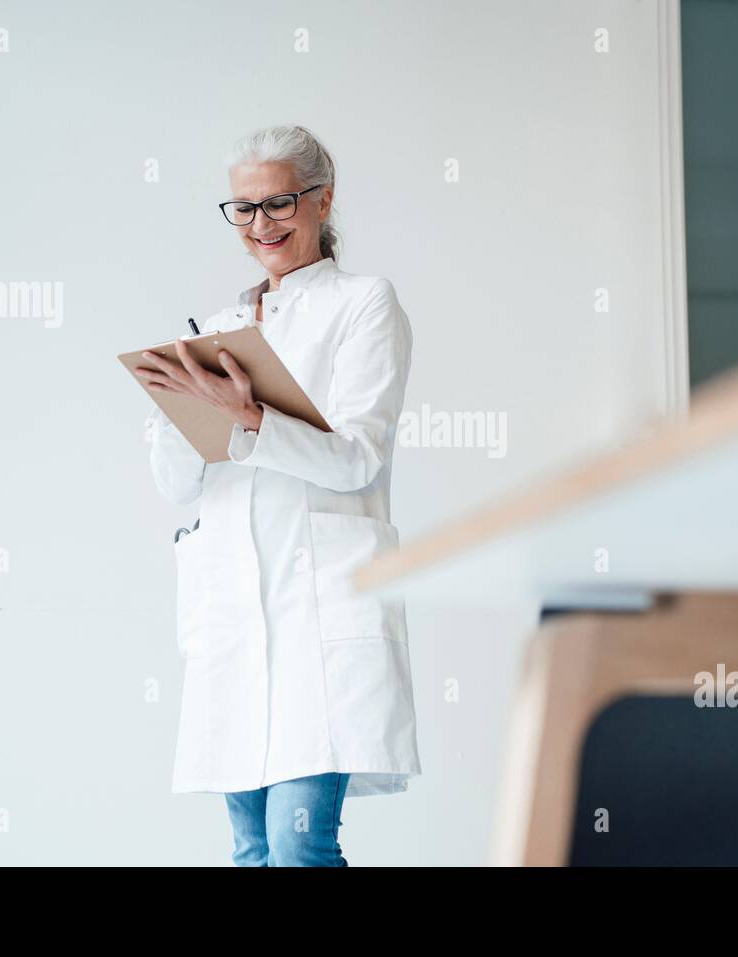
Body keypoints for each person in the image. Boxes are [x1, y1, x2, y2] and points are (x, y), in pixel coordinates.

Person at [134, 124, 420, 866]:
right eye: (244, 208)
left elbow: (358, 457)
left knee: (299, 847)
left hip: (320, 612)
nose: (261, 224)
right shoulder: (218, 330)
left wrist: (251, 417)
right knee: (253, 850)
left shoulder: (364, 305)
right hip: (231, 616)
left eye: (280, 202)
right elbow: (177, 486)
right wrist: (176, 412)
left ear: (323, 201)